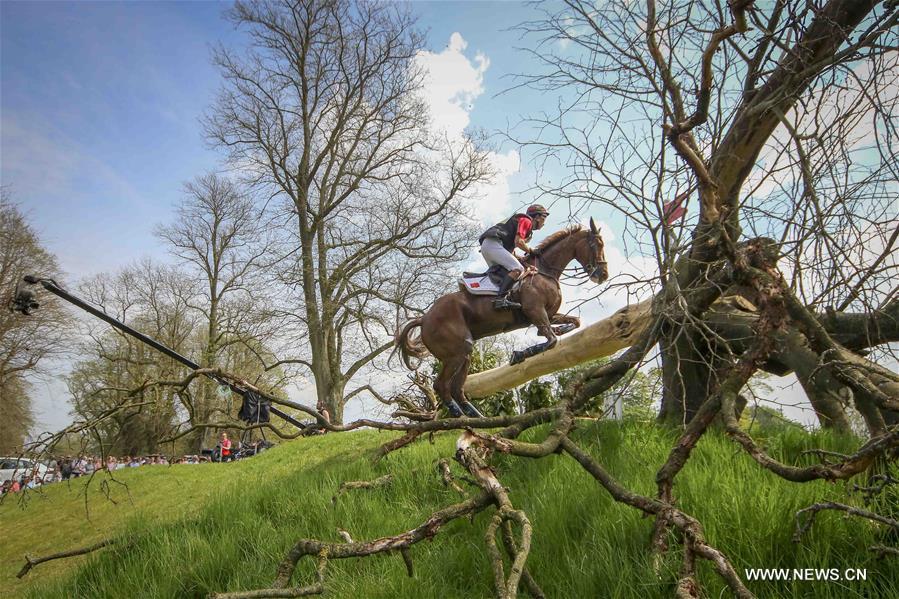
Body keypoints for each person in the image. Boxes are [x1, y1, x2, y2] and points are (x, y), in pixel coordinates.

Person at [478, 204, 549, 309]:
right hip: (493, 244)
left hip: (490, 246)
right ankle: (500, 300)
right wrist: (531, 250)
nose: (544, 223)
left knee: (506, 272)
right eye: (544, 218)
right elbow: (519, 242)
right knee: (517, 269)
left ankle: (491, 298)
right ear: (537, 217)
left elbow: (511, 252)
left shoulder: (518, 222)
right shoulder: (527, 221)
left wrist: (523, 260)